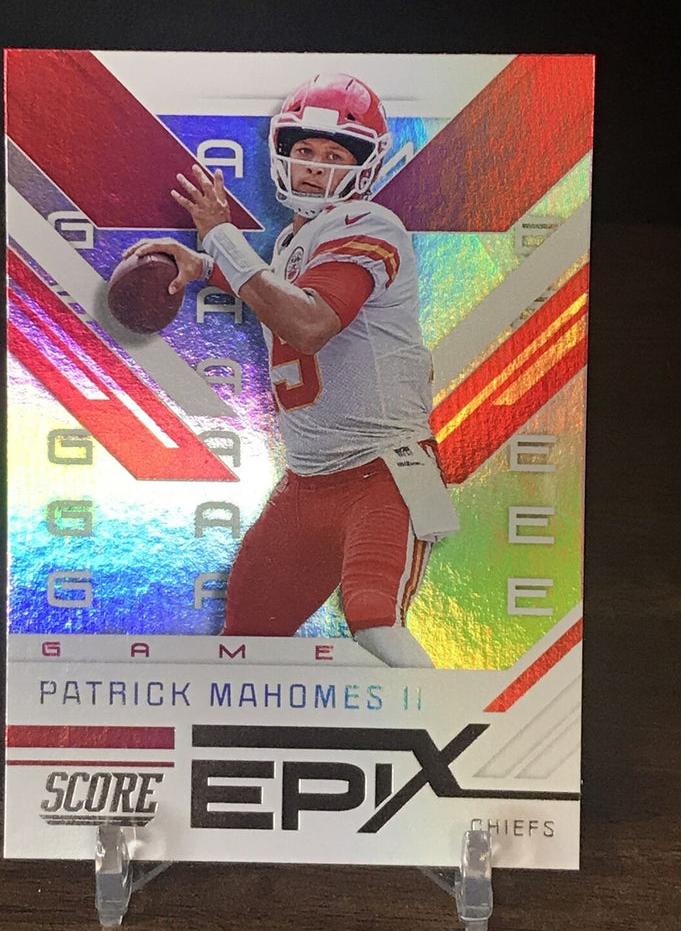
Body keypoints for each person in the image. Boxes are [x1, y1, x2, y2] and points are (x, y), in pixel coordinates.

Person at [124, 74, 458, 666]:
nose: (314, 168)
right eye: (305, 150)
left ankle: (453, 722)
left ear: (363, 168)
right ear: (283, 153)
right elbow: (279, 294)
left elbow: (309, 323)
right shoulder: (292, 244)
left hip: (383, 470)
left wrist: (220, 236)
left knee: (375, 622)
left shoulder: (369, 225)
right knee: (245, 639)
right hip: (306, 482)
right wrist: (205, 265)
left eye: (335, 157)